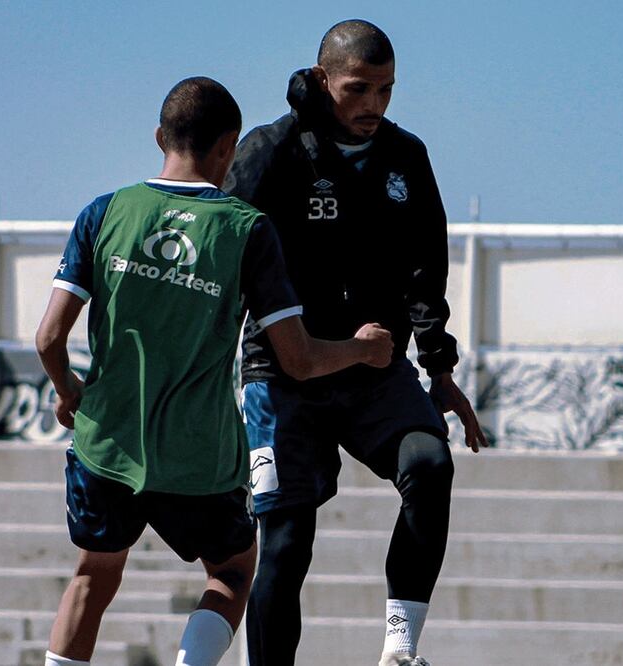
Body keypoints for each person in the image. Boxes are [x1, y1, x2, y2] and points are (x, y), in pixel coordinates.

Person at [35, 76, 393, 666]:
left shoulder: (104, 212)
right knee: (232, 572)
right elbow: (298, 359)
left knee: (92, 578)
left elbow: (50, 337)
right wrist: (361, 348)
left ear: (159, 136)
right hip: (199, 456)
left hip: (109, 442)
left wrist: (68, 390)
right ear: (229, 147)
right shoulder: (245, 229)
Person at [224, 20, 489, 666]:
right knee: (286, 543)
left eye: (386, 91)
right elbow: (222, 264)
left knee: (429, 463)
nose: (373, 105)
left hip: (374, 363)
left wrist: (440, 369)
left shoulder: (405, 157)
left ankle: (399, 648)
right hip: (283, 373)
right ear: (321, 81)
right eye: (358, 89)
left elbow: (426, 270)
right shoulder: (270, 151)